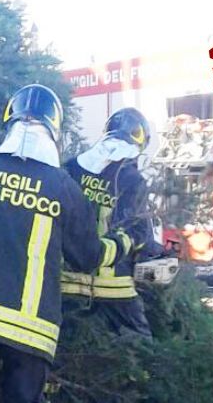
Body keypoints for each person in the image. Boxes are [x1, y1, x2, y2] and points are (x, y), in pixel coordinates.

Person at [0, 84, 137, 403]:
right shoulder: (62, 187)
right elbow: (88, 257)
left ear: (9, 122)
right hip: (32, 332)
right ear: (54, 130)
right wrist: (123, 243)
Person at [62, 107, 161, 338]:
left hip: (65, 286)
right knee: (141, 347)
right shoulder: (132, 179)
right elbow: (138, 232)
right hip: (113, 287)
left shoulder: (71, 168)